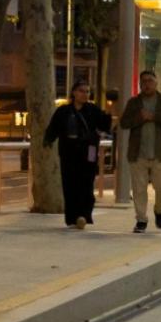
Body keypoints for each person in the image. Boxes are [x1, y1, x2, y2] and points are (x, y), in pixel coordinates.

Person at [119, 70, 161, 233]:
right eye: (144, 81)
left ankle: (159, 210)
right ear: (140, 84)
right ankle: (141, 219)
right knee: (139, 188)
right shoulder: (133, 103)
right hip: (137, 153)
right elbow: (124, 123)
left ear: (156, 83)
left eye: (150, 81)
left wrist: (155, 116)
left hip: (160, 153)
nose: (146, 84)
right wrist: (140, 118)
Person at [44, 81, 110, 229]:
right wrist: (48, 140)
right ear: (74, 93)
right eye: (81, 91)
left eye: (87, 91)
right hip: (69, 152)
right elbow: (53, 128)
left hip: (89, 151)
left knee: (86, 184)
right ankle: (72, 218)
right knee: (70, 184)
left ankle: (84, 215)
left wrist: (99, 131)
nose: (85, 94)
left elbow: (105, 125)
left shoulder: (93, 110)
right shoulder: (63, 111)